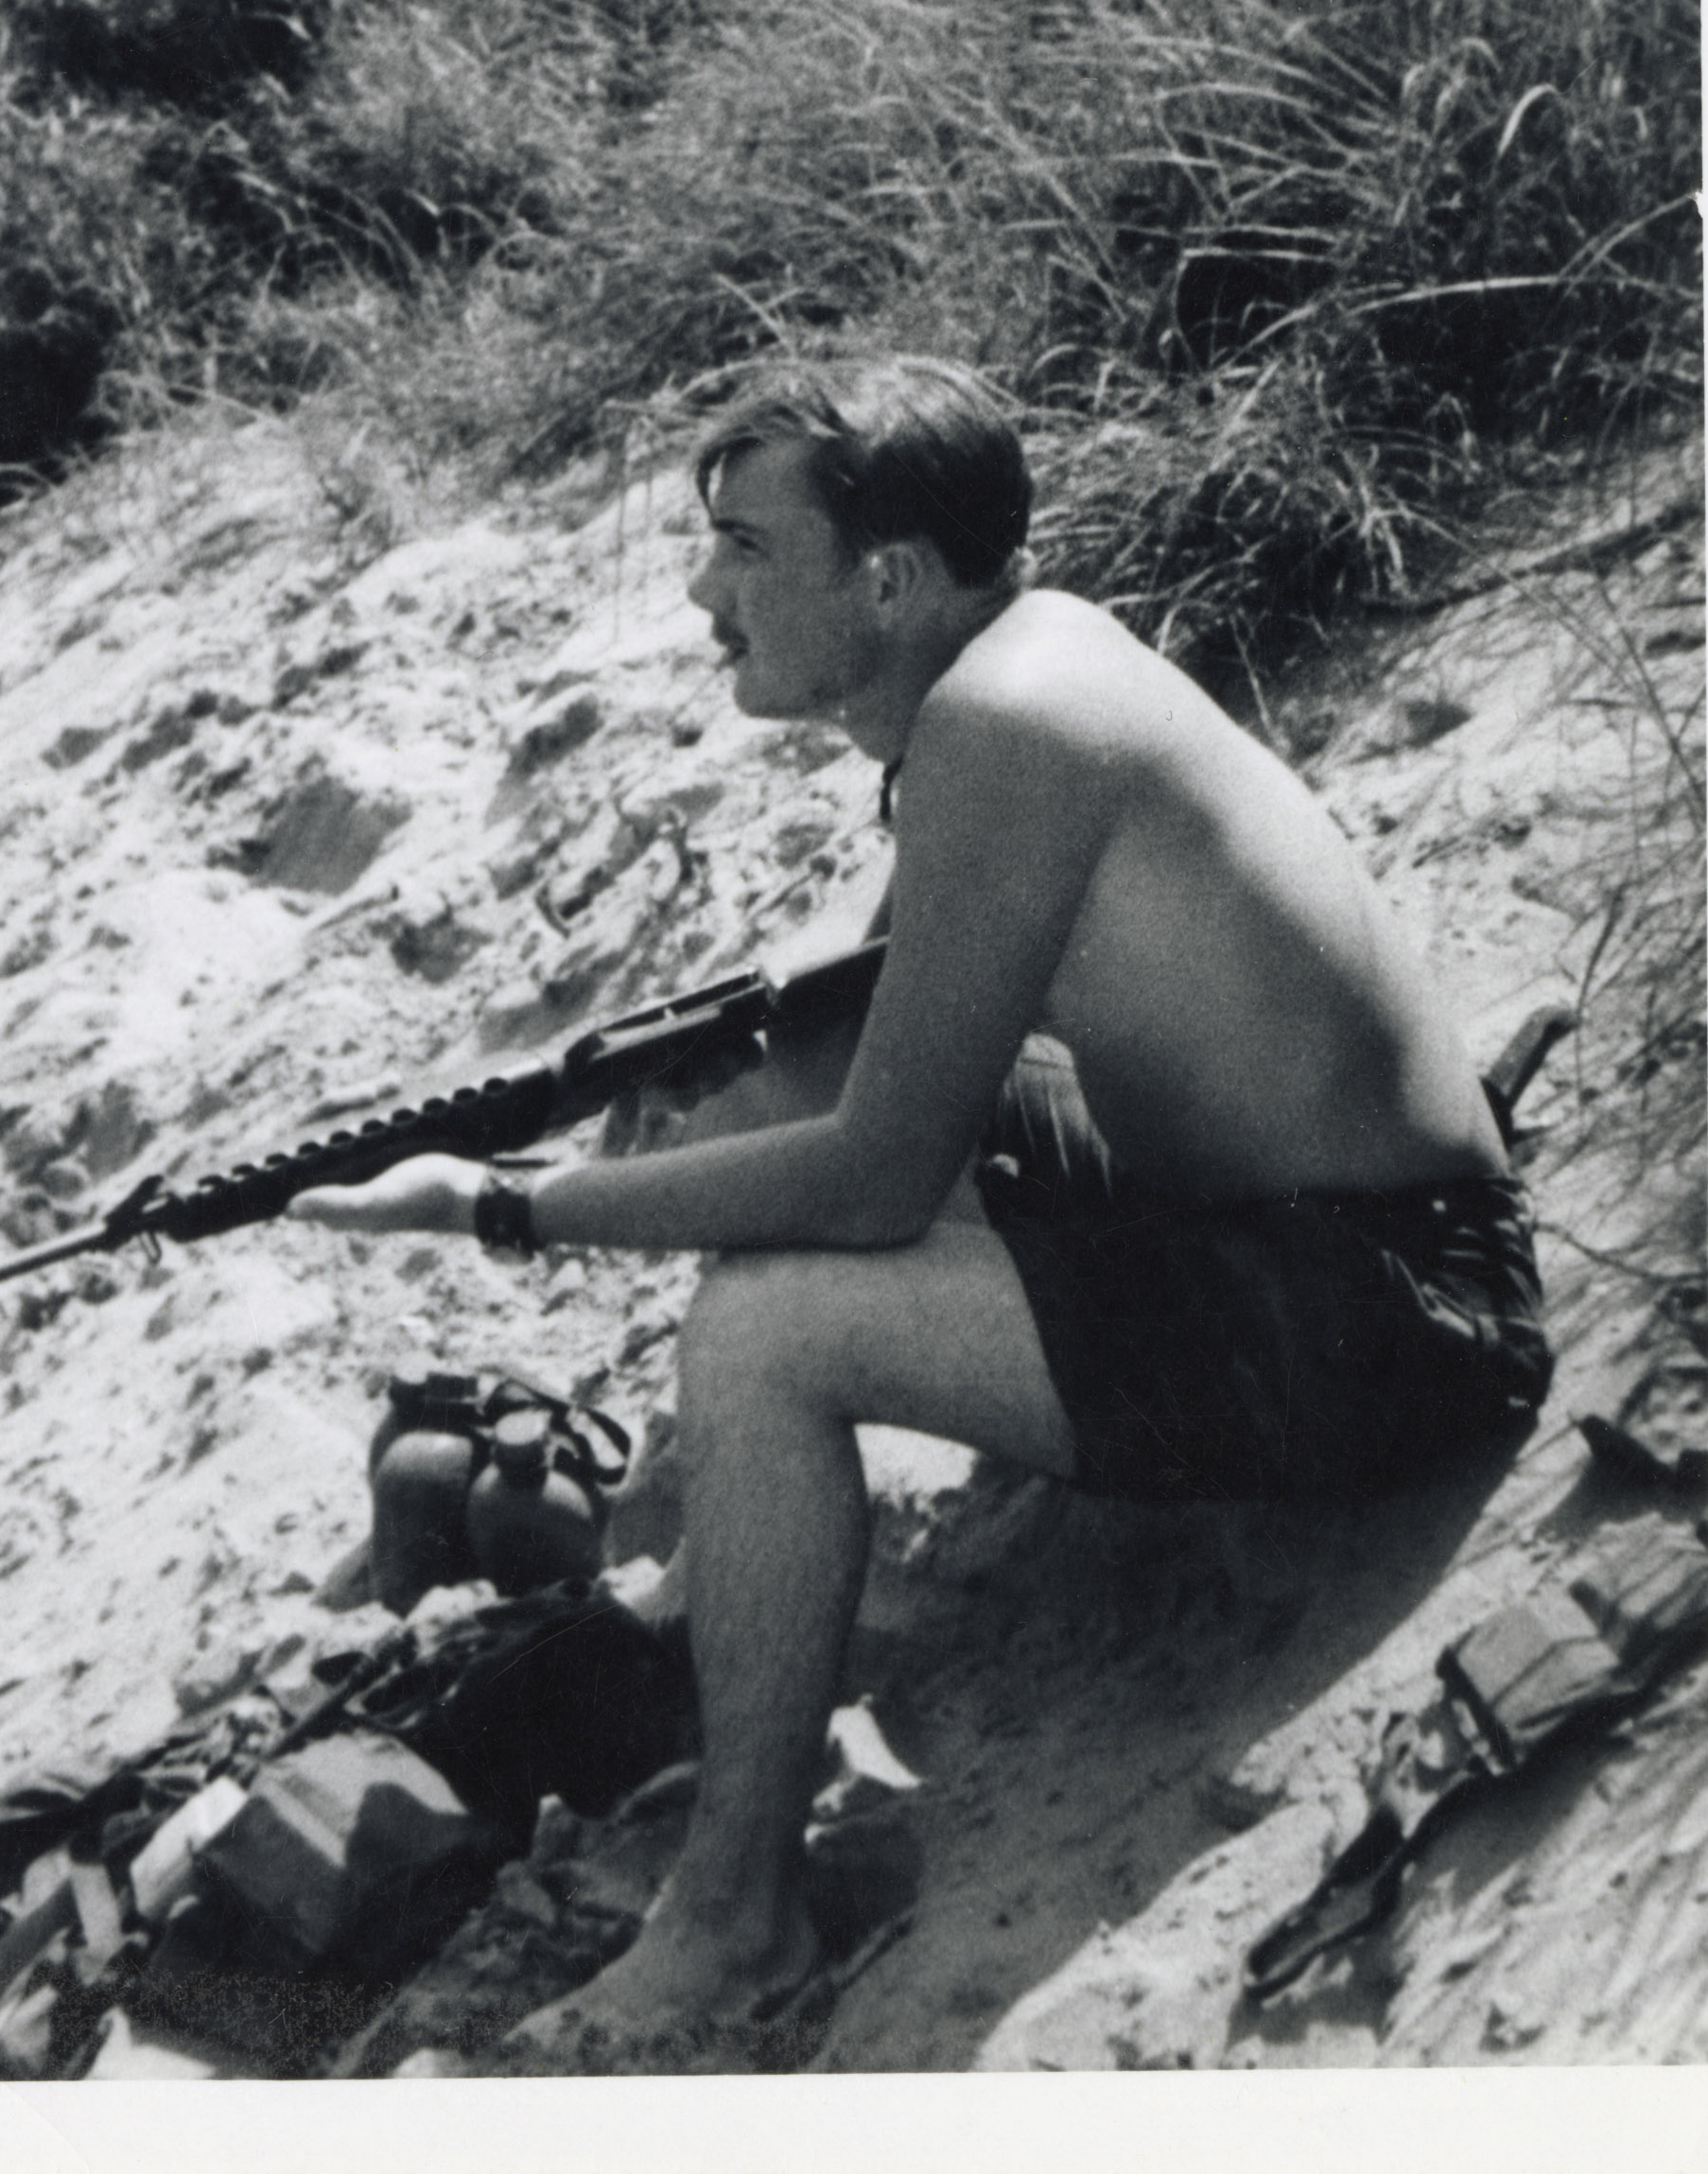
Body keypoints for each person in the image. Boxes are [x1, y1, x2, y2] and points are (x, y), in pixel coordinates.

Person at [289, 356, 1551, 2065]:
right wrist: (656, 1083)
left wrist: (505, 1206)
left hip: (1381, 1315)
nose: (697, 589)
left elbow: (879, 1176)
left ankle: (734, 1920)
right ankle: (718, 1592)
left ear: (886, 580)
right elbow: (853, 1023)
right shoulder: (1018, 659)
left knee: (764, 1330)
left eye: (742, 547)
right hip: (1273, 1219)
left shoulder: (1004, 725)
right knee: (758, 1095)